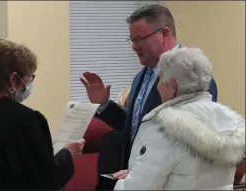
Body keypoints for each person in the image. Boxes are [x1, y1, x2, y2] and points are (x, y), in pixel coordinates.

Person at [80, 4, 218, 190]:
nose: (134, 47)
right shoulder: (141, 77)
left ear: (165, 34)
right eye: (131, 40)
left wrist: (146, 172)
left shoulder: (193, 76)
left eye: (140, 39)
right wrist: (103, 104)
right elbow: (134, 129)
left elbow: (189, 143)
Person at [114, 47, 245, 190]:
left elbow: (139, 187)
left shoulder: (164, 128)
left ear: (172, 85)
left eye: (160, 79)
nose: (157, 87)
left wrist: (118, 185)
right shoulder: (227, 121)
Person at [0, 39, 85, 190]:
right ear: (13, 80)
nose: (30, 84)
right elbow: (47, 179)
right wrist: (68, 154)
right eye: (29, 78)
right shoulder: (27, 120)